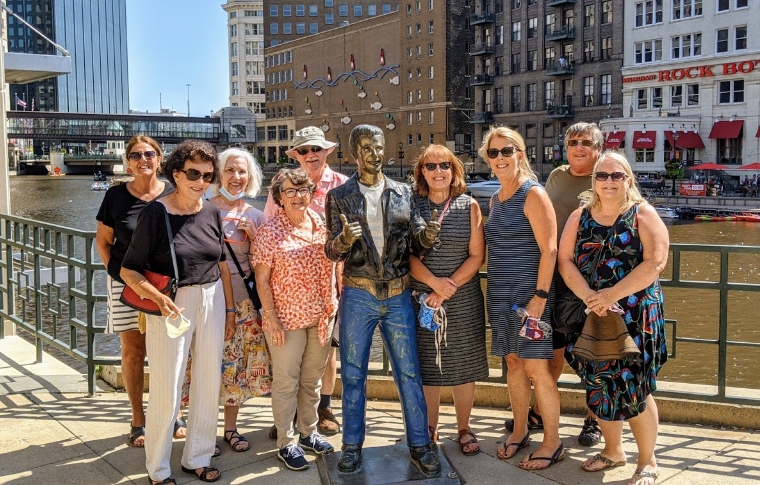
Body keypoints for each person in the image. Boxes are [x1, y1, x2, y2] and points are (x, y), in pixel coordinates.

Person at [325, 124, 442, 476]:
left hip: (397, 295)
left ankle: (421, 445)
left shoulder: (404, 192)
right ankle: (351, 446)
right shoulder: (340, 195)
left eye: (378, 147)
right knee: (354, 374)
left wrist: (428, 236)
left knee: (409, 373)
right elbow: (331, 251)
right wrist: (344, 239)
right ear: (353, 155)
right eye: (366, 148)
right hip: (358, 294)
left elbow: (416, 245)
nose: (374, 154)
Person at [121, 140, 235, 485]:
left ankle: (197, 456)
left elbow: (221, 264)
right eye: (193, 173)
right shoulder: (157, 213)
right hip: (171, 302)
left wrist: (229, 310)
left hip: (212, 298)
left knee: (207, 380)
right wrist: (157, 298)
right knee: (168, 387)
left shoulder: (213, 211)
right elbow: (129, 270)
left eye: (207, 175)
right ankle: (157, 468)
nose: (201, 181)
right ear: (176, 173)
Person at [558, 151, 668, 485]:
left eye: (616, 176)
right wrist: (590, 297)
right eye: (602, 176)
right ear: (593, 181)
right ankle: (613, 450)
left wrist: (610, 295)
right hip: (593, 314)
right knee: (600, 383)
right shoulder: (581, 216)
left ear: (628, 179)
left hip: (635, 316)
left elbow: (655, 263)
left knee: (637, 386)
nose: (609, 182)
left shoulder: (642, 214)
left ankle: (647, 460)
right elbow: (565, 260)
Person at [505, 123, 604, 447]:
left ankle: (594, 419)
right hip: (557, 281)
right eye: (573, 142)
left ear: (597, 148)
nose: (578, 147)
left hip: (593, 282)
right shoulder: (557, 177)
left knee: (594, 354)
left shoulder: (607, 177)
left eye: (586, 142)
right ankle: (535, 413)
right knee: (553, 352)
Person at [480, 126, 563, 470]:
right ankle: (518, 431)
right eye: (494, 152)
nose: (500, 158)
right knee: (513, 362)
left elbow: (550, 249)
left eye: (507, 151)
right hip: (501, 292)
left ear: (520, 154)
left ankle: (553, 442)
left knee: (536, 367)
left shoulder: (533, 194)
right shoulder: (495, 199)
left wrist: (540, 298)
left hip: (531, 294)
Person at [95, 135, 184, 449]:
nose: (143, 159)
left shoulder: (174, 192)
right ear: (128, 161)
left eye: (149, 154)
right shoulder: (116, 196)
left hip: (165, 285)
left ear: (159, 159)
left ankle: (173, 414)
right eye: (135, 155)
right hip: (126, 286)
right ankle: (137, 419)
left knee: (171, 353)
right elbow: (103, 241)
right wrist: (116, 272)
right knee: (133, 353)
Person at [263, 126, 348, 437]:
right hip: (288, 291)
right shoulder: (280, 186)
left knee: (325, 354)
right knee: (287, 356)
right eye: (303, 150)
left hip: (328, 287)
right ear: (295, 155)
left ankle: (322, 408)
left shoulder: (341, 185)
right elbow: (270, 228)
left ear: (327, 151)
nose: (310, 155)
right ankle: (289, 417)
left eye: (316, 148)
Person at [252, 168, 339, 471]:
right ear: (278, 197)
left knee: (312, 380)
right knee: (286, 382)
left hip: (322, 316)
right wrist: (271, 318)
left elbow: (336, 266)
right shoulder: (270, 230)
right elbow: (261, 280)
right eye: (290, 191)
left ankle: (309, 432)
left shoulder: (322, 224)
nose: (298, 196)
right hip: (286, 319)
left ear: (312, 193)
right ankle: (286, 442)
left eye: (303, 190)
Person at [408, 144, 488, 456]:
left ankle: (464, 427)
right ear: (422, 172)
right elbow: (406, 254)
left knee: (463, 364)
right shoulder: (411, 205)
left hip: (461, 296)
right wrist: (433, 285)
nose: (438, 171)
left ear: (454, 170)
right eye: (431, 166)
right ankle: (430, 426)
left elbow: (477, 255)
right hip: (422, 297)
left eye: (445, 165)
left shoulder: (469, 205)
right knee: (429, 365)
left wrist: (446, 287)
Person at [208, 148, 271, 451]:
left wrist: (257, 238)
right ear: (219, 173)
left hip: (244, 304)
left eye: (242, 172)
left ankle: (230, 429)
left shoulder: (255, 215)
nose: (236, 177)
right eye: (230, 170)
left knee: (235, 367)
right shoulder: (202, 209)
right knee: (205, 365)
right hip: (210, 301)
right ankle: (202, 429)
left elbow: (264, 266)